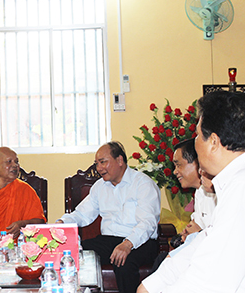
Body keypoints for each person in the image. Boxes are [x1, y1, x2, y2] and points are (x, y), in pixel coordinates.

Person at [138, 91, 245, 292]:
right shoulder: (232, 183)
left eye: (197, 135)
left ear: (213, 142)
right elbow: (203, 241)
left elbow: (209, 281)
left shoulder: (240, 189)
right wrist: (153, 283)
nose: (194, 142)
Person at [57, 141, 161, 293]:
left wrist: (127, 244)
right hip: (109, 240)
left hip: (140, 241)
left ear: (119, 160)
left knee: (123, 261)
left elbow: (147, 223)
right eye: (97, 163)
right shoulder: (100, 187)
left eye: (103, 162)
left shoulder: (143, 184)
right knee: (77, 252)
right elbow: (82, 214)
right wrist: (62, 223)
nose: (99, 168)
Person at [151, 138, 216, 272]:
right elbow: (194, 226)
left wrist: (196, 233)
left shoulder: (217, 192)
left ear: (197, 163)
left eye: (178, 165)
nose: (175, 172)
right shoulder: (200, 192)